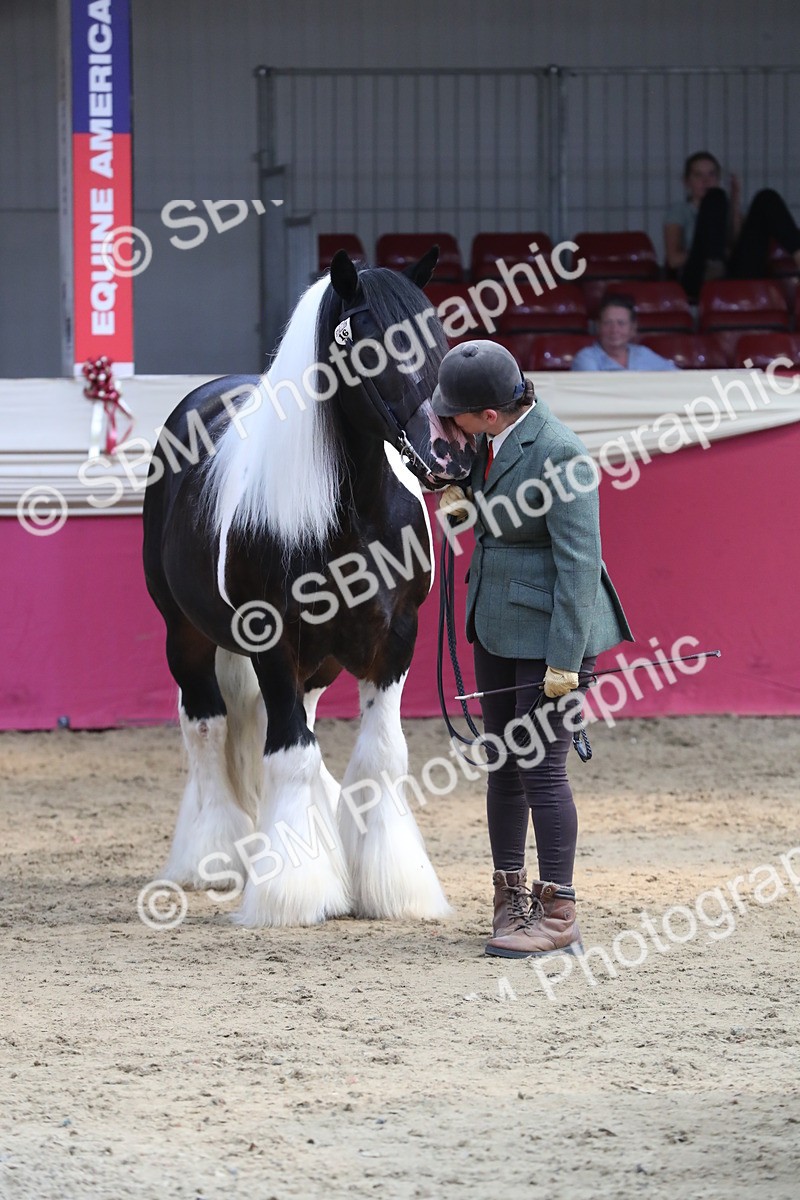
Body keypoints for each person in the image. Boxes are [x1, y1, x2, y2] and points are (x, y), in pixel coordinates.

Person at [432, 340, 633, 959]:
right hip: (497, 621)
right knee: (504, 763)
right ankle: (510, 896)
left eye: (459, 417)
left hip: (553, 632)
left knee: (540, 768)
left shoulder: (561, 452)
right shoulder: (487, 443)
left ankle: (560, 912)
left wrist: (566, 661)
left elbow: (580, 565)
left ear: (490, 413)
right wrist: (461, 499)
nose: (452, 425)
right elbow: (490, 515)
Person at [664, 150, 800, 300]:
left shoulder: (728, 206)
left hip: (733, 271)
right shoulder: (680, 211)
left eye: (711, 175)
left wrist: (734, 204)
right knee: (715, 197)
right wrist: (709, 250)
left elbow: (737, 246)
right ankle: (714, 265)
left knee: (766, 197)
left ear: (718, 179)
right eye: (698, 175)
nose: (706, 181)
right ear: (687, 181)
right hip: (699, 275)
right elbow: (673, 260)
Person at [571, 294, 678, 371]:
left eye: (621, 323)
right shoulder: (585, 358)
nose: (614, 330)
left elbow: (678, 377)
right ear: (598, 327)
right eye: (608, 323)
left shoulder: (643, 353)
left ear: (632, 328)